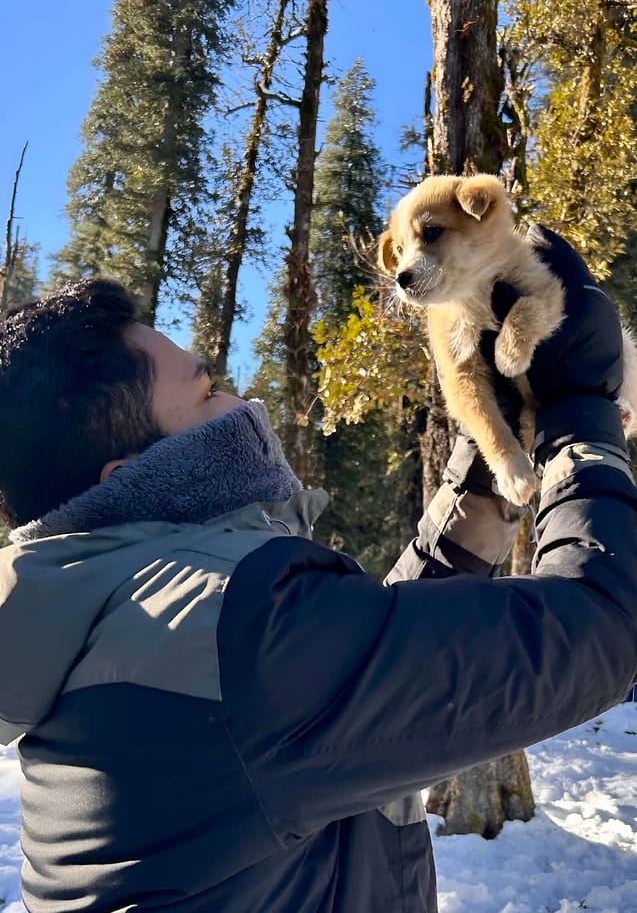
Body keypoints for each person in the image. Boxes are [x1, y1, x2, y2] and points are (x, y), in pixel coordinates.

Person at [0, 225, 635, 913]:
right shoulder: (222, 624)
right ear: (133, 478)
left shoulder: (119, 616)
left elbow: (363, 667)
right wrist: (581, 416)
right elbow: (602, 624)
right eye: (209, 393)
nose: (244, 406)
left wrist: (494, 439)